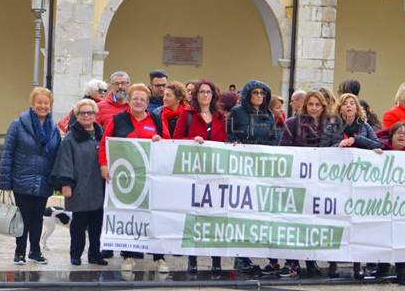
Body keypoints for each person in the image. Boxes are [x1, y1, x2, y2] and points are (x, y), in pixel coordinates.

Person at [99, 84, 170, 272]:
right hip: (126, 176)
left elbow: (169, 144)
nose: (138, 102)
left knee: (155, 215)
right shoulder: (118, 120)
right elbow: (105, 143)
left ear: (148, 103)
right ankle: (128, 255)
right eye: (135, 99)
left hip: (151, 177)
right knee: (128, 214)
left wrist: (159, 141)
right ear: (129, 101)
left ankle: (159, 258)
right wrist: (104, 165)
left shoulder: (156, 119)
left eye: (142, 99)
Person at [277, 90, 342, 278]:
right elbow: (284, 149)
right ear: (305, 106)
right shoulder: (292, 123)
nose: (314, 108)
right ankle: (293, 262)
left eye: (317, 105)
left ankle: (310, 259)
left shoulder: (330, 125)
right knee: (296, 220)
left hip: (320, 180)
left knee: (313, 220)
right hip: (298, 177)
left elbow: (334, 147)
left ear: (323, 107)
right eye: (310, 104)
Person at [0, 87, 61, 265]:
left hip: (43, 181)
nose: (42, 106)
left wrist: (57, 180)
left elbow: (57, 155)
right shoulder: (18, 125)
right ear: (33, 104)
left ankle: (35, 251)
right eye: (39, 102)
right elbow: (8, 153)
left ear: (50, 105)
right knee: (23, 218)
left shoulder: (53, 129)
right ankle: (19, 252)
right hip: (22, 180)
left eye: (46, 103)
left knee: (37, 218)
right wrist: (5, 181)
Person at [173, 80, 226, 277]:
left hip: (215, 173)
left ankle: (216, 260)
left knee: (215, 218)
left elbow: (225, 142)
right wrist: (191, 141)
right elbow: (176, 140)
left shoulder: (221, 117)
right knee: (194, 216)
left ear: (213, 95)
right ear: (196, 95)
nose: (205, 95)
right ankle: (192, 259)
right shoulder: (186, 115)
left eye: (208, 92)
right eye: (201, 92)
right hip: (193, 173)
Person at [227, 80, 276, 273]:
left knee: (261, 212)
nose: (259, 96)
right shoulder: (237, 112)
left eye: (262, 93)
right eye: (255, 92)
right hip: (242, 168)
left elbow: (273, 139)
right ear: (248, 94)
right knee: (242, 213)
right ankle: (240, 257)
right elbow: (230, 135)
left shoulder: (269, 114)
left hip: (262, 169)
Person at [51, 99, 107, 266]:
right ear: (76, 115)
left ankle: (95, 255)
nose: (86, 116)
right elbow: (65, 162)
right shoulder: (70, 138)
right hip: (79, 188)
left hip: (99, 188)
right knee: (78, 226)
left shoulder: (101, 135)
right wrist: (66, 184)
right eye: (82, 113)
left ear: (95, 115)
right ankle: (75, 255)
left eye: (90, 112)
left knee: (97, 225)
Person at [331, 93, 381, 279]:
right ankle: (333, 263)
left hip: (360, 180)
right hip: (338, 180)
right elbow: (322, 147)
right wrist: (339, 145)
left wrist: (357, 141)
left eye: (352, 103)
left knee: (357, 222)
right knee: (337, 220)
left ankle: (357, 264)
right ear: (340, 108)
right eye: (345, 104)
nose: (349, 106)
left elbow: (377, 144)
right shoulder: (333, 126)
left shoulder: (364, 127)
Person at [379, 121, 405, 285]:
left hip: (404, 200)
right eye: (398, 132)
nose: (401, 135)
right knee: (382, 231)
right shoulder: (382, 149)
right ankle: (381, 267)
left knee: (401, 233)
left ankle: (402, 272)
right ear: (392, 135)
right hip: (383, 199)